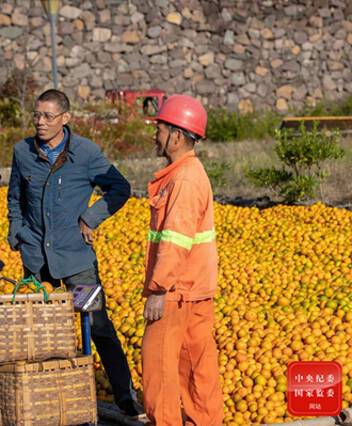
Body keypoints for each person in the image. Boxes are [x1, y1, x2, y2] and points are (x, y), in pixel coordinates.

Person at [6, 89, 140, 417]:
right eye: (37, 115)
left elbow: (119, 188)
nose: (40, 122)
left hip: (76, 261)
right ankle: (46, 398)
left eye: (48, 116)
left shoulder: (86, 152)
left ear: (65, 118)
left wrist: (90, 217)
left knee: (96, 324)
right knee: (39, 332)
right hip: (37, 263)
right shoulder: (23, 151)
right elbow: (14, 198)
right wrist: (17, 234)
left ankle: (124, 395)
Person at [140, 94, 223, 425]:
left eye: (159, 128)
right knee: (196, 371)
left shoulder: (184, 179)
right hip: (194, 290)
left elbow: (175, 238)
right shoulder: (190, 173)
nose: (155, 135)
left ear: (176, 135)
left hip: (175, 292)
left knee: (158, 371)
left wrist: (159, 289)